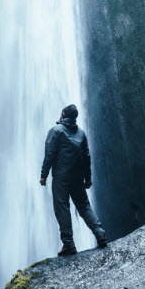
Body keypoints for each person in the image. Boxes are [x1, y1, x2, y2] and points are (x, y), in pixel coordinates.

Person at [39, 104, 108, 255]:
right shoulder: (81, 133)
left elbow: (49, 154)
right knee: (84, 206)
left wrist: (44, 175)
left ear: (63, 115)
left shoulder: (56, 131)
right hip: (77, 177)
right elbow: (87, 157)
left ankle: (69, 244)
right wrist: (88, 178)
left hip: (61, 178)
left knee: (62, 208)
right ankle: (99, 232)